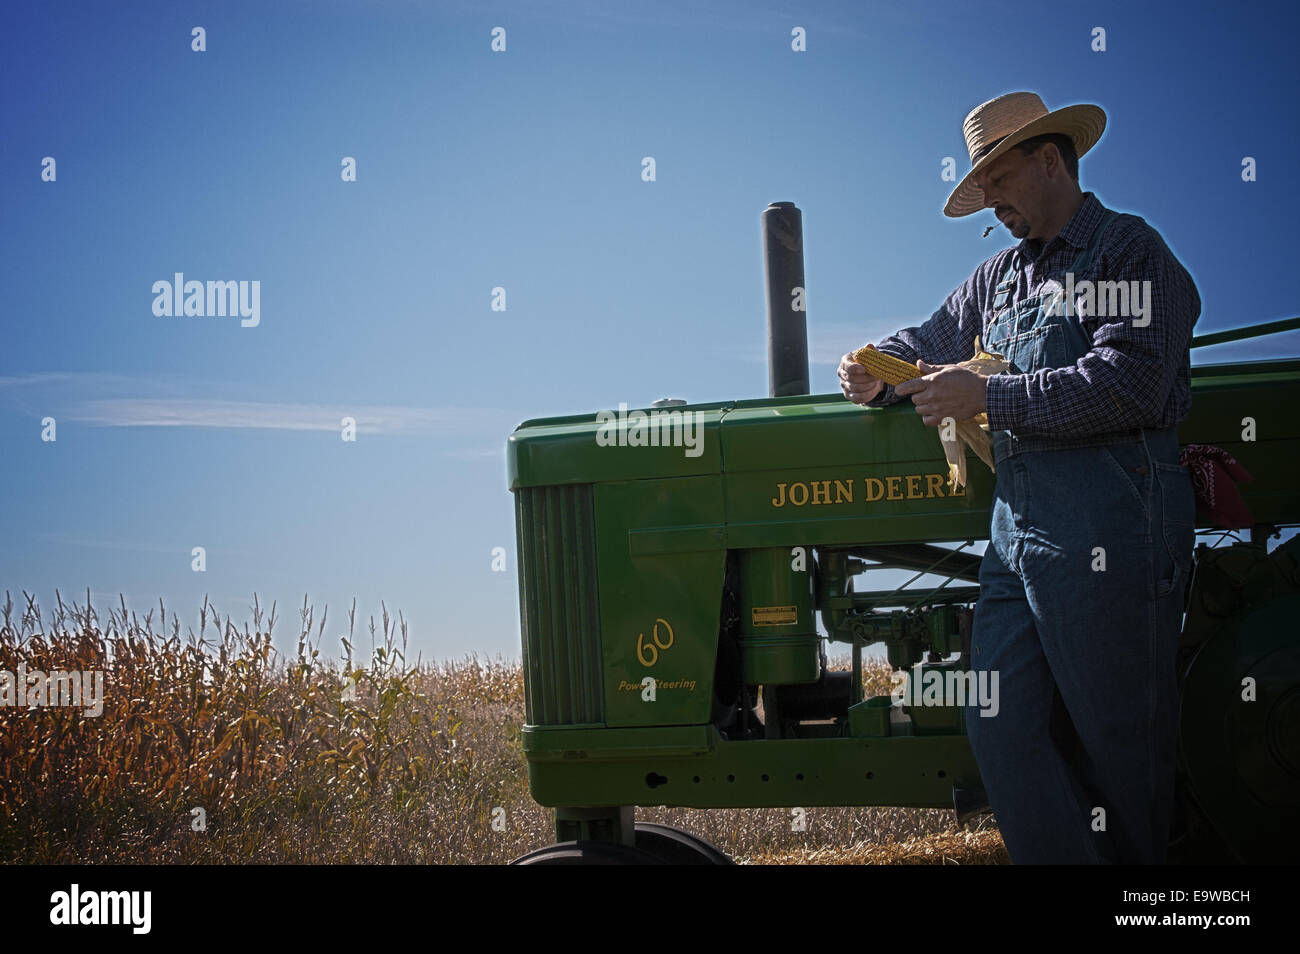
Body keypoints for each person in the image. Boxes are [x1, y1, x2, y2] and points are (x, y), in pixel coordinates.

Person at [838, 91, 1199, 864]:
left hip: (1113, 519)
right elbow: (926, 339)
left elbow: (1129, 383)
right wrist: (870, 365)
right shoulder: (998, 278)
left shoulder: (1128, 254)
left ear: (1049, 160)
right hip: (1019, 532)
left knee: (1119, 742)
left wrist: (989, 396)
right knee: (999, 725)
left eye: (999, 182)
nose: (991, 204)